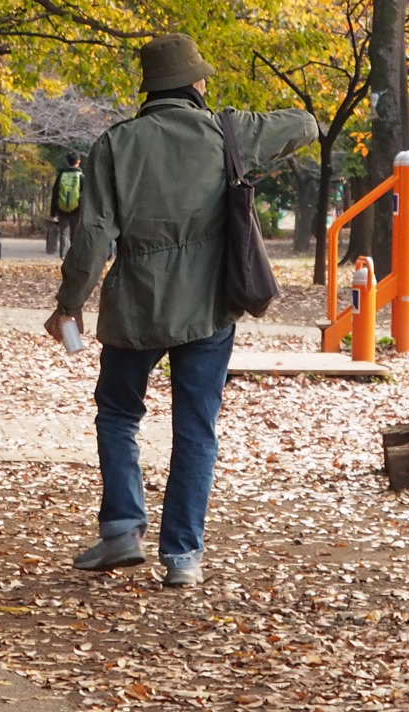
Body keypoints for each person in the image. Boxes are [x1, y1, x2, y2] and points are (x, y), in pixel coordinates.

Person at [45, 32, 314, 590]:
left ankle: (122, 529)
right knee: (196, 426)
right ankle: (183, 555)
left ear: (150, 88)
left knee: (119, 412)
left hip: (135, 304)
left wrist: (68, 305)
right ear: (194, 83)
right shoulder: (226, 132)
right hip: (210, 305)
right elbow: (305, 124)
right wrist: (243, 136)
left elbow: (93, 236)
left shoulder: (116, 144)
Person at [51, 153, 86, 259]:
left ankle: (63, 256)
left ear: (67, 162)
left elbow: (55, 193)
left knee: (63, 233)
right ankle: (73, 257)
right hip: (77, 209)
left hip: (62, 208)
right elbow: (85, 195)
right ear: (78, 161)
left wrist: (52, 212)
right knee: (75, 233)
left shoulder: (61, 176)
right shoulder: (81, 176)